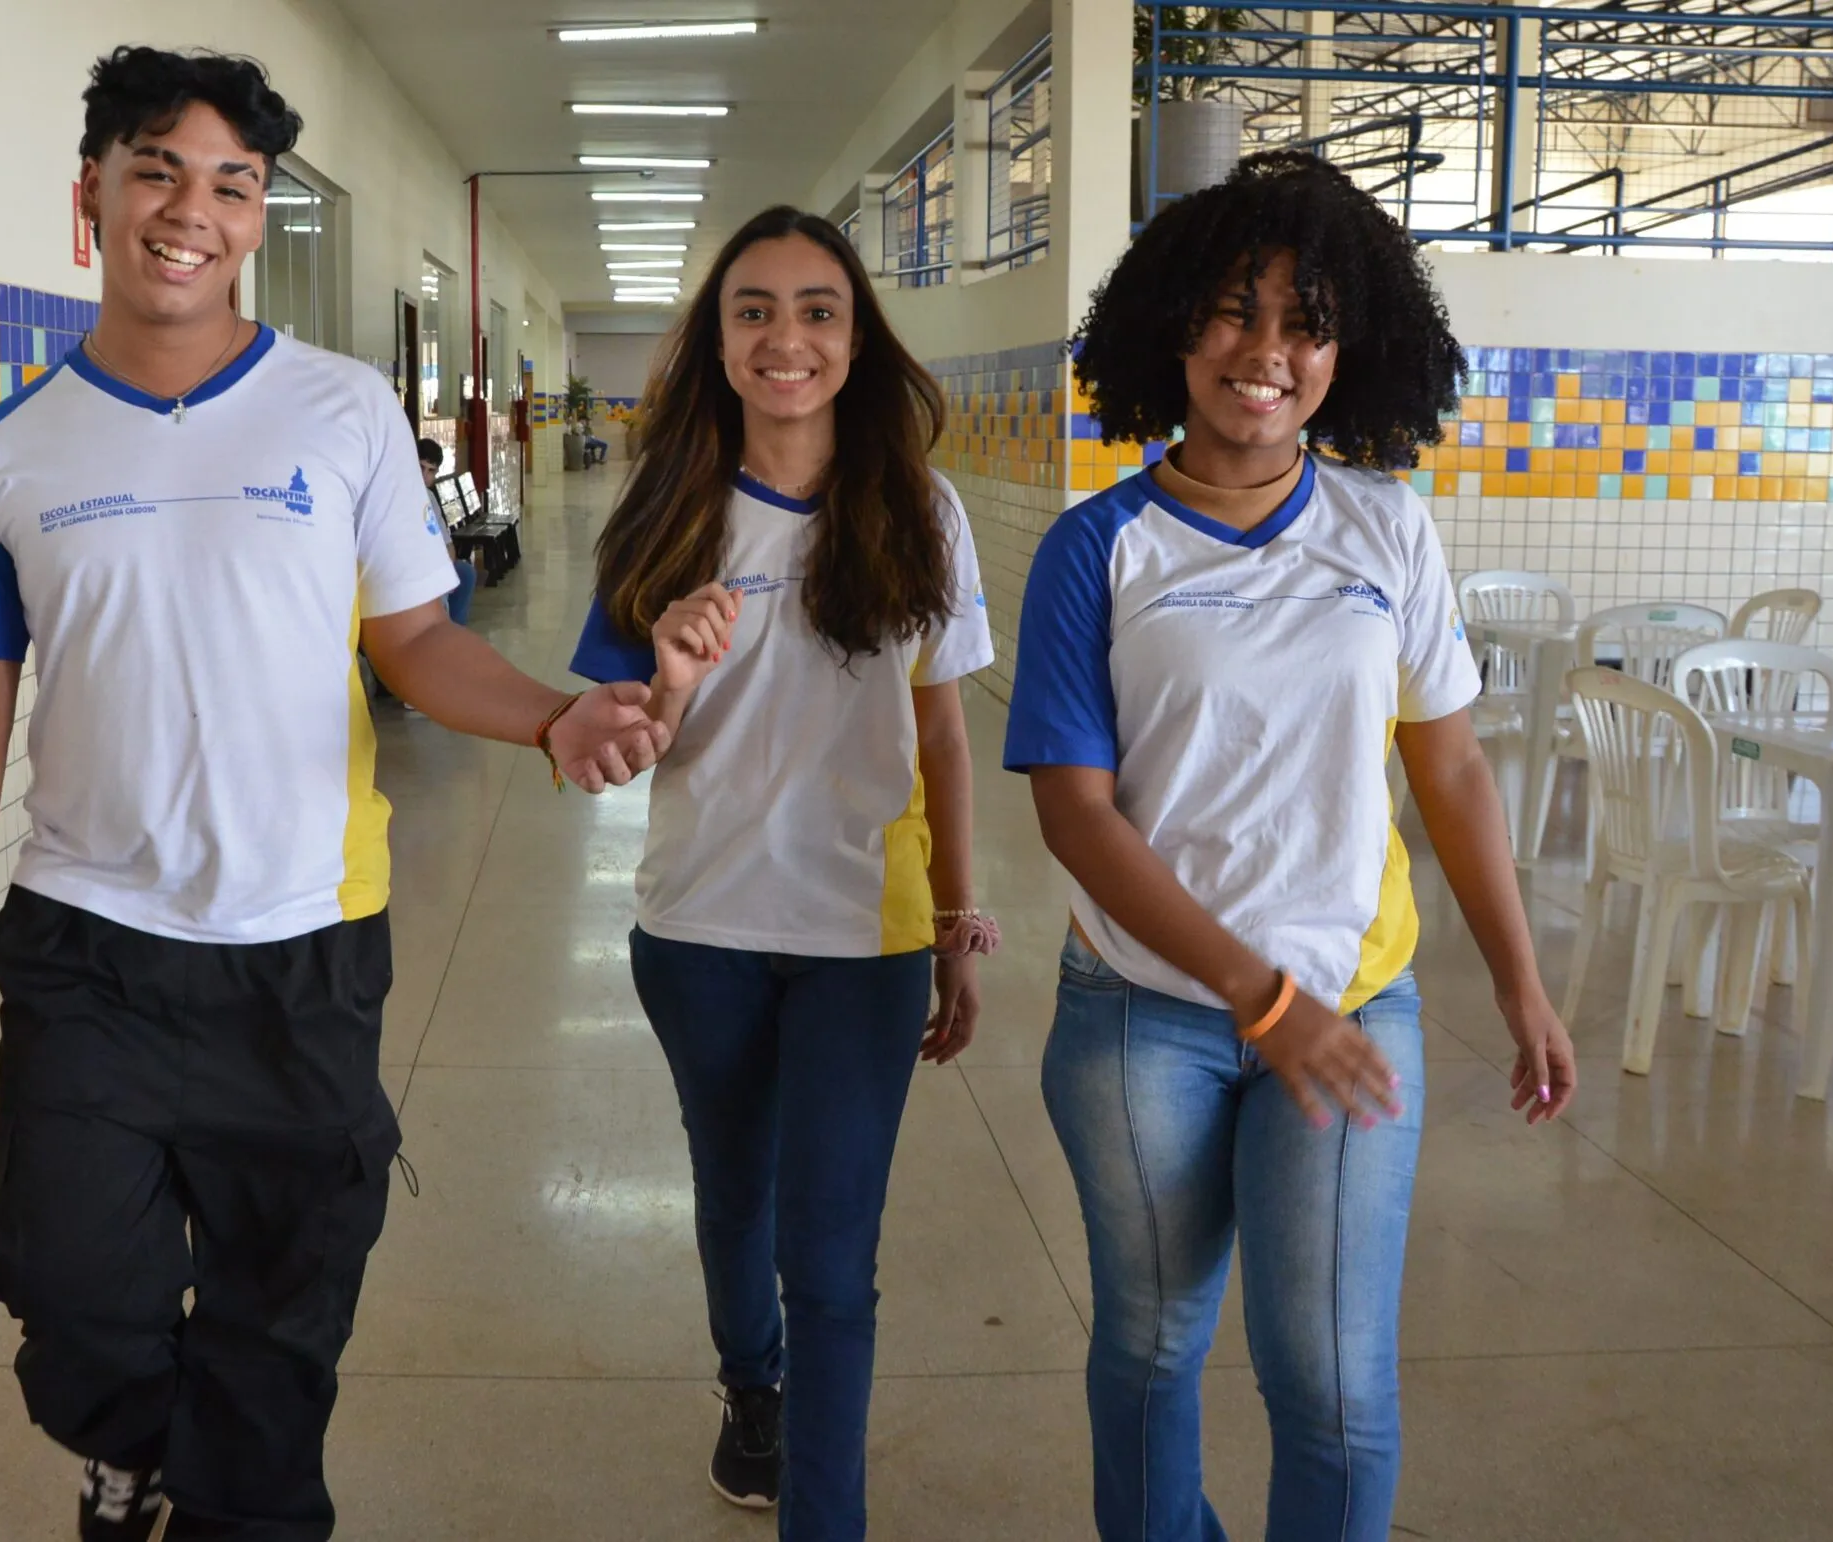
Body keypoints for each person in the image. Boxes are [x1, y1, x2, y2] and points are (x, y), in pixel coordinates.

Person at [0, 46, 670, 1542]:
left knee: (282, 1305)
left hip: (304, 944)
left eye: (230, 185)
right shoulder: (8, 449)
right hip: (88, 940)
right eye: (156, 172)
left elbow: (421, 642)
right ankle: (139, 1445)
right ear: (91, 198)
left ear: (256, 220)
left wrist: (558, 719)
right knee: (71, 1289)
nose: (192, 209)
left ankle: (241, 1505)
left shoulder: (345, 410)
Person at [1002, 151, 1578, 1542]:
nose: (1264, 354)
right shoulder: (1101, 548)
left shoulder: (1390, 527)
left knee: (1329, 1380)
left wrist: (1520, 979)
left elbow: (1448, 768)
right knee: (1150, 1347)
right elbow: (1077, 813)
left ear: (1349, 348)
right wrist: (1260, 999)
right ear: (1170, 329)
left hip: (1355, 999)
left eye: (1304, 321)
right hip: (1148, 1015)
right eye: (1231, 313)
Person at [570, 206, 999, 1540]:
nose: (786, 337)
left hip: (859, 936)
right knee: (732, 1190)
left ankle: (830, 1516)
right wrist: (671, 679)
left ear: (858, 339)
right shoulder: (662, 511)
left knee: (831, 1256)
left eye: (818, 309)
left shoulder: (923, 511)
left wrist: (957, 914)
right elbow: (609, 752)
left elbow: (940, 728)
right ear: (717, 338)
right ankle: (749, 1385)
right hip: (697, 926)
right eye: (754, 309)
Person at [416, 434, 476, 625]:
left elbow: (448, 544)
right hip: (413, 568)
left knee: (464, 573)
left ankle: (453, 631)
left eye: (431, 471)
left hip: (434, 565)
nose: (424, 476)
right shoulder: (395, 495)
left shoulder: (430, 499)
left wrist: (446, 569)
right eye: (420, 468)